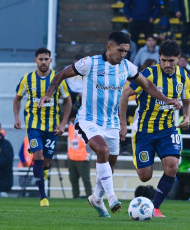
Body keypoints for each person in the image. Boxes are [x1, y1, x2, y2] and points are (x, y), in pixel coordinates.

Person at [38, 32, 181, 217]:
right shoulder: (89, 63)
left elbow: (147, 85)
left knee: (109, 165)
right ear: (109, 47)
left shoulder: (127, 66)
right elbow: (61, 74)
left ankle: (97, 198)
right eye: (120, 50)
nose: (123, 55)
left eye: (126, 51)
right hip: (88, 120)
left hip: (112, 123)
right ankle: (112, 198)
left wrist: (166, 99)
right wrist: (49, 94)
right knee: (102, 150)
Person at [119, 40, 190, 217]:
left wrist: (187, 116)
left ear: (178, 59)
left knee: (172, 167)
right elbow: (125, 93)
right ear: (159, 58)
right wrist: (123, 123)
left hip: (167, 130)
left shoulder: (183, 77)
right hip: (144, 131)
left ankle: (155, 208)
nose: (167, 64)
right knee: (145, 176)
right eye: (164, 60)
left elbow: (188, 102)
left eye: (171, 61)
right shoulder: (148, 74)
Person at [13, 47, 72, 207]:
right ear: (36, 61)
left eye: (46, 59)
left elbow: (68, 100)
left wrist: (63, 123)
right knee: (37, 156)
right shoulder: (27, 79)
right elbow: (17, 98)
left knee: (45, 163)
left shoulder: (58, 78)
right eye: (41, 59)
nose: (44, 62)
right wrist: (17, 117)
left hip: (52, 127)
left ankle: (43, 170)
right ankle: (43, 197)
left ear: (50, 60)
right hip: (33, 125)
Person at [67, 109, 92, 199]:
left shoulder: (85, 127)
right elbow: (70, 141)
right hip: (72, 157)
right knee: (73, 179)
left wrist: (89, 154)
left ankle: (90, 197)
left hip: (83, 157)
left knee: (86, 180)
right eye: (71, 120)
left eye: (74, 119)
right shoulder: (70, 127)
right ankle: (75, 196)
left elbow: (90, 141)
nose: (72, 121)